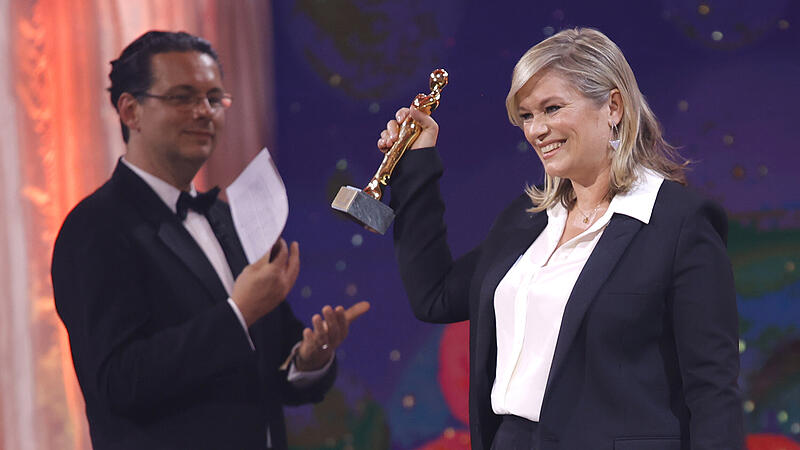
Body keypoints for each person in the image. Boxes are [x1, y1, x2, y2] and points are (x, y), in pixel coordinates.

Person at [379, 28, 743, 449]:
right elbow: (436, 296)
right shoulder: (529, 220)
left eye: (551, 108)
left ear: (613, 106)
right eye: (527, 116)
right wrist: (417, 164)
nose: (537, 130)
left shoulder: (680, 224)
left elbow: (713, 390)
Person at [51, 30, 369, 450]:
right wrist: (238, 313)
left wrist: (308, 359)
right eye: (183, 97)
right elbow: (118, 381)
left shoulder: (229, 217)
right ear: (131, 111)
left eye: (215, 98)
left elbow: (273, 363)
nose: (204, 112)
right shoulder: (95, 226)